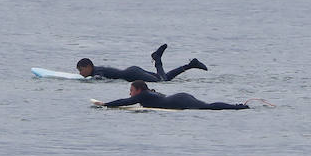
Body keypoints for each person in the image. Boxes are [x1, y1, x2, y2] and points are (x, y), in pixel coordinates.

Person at [77, 44, 208, 82]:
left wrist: (91, 80)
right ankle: (191, 65)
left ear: (88, 67)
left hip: (132, 74)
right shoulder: (97, 69)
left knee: (162, 80)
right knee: (164, 77)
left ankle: (157, 58)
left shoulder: (96, 72)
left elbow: (99, 78)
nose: (80, 73)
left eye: (81, 70)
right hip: (133, 71)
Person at [96, 80, 247, 110]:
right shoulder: (148, 94)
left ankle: (237, 107)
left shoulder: (142, 96)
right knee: (207, 106)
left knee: (208, 107)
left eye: (132, 90)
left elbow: (125, 101)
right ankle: (236, 106)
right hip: (179, 97)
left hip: (179, 101)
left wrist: (106, 104)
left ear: (139, 90)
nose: (130, 93)